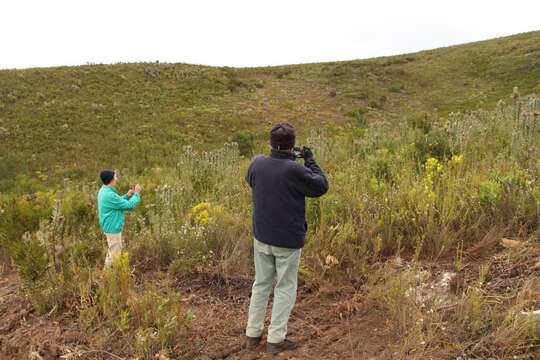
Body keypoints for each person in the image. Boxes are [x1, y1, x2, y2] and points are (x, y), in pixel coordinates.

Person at [244, 123, 329, 354]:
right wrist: (309, 159)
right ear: (293, 146)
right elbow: (321, 185)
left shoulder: (257, 163)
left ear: (271, 143)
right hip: (287, 240)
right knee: (285, 287)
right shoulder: (295, 170)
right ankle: (275, 340)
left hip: (262, 236)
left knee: (261, 284)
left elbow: (250, 180)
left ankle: (252, 334)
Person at [97, 169, 141, 267]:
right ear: (111, 180)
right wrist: (137, 193)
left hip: (109, 226)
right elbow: (129, 205)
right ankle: (107, 276)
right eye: (115, 177)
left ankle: (109, 274)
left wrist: (127, 195)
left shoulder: (104, 190)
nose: (116, 179)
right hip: (112, 227)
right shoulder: (109, 194)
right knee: (114, 253)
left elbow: (116, 202)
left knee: (113, 250)